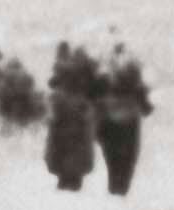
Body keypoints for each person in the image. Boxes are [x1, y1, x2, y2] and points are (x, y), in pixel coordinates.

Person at [95, 45, 153, 196]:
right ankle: (121, 189)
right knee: (127, 159)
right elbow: (146, 107)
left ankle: (114, 187)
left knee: (112, 159)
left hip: (109, 120)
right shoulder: (134, 74)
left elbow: (96, 97)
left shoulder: (105, 74)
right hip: (130, 121)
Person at [45, 44, 99, 192]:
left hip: (66, 113)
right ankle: (71, 180)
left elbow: (54, 83)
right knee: (76, 146)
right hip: (76, 113)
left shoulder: (60, 91)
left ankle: (66, 180)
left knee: (64, 147)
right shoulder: (82, 78)